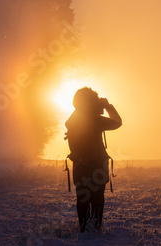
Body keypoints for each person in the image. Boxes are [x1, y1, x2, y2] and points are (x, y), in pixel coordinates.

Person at [65, 87, 122, 232]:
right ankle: (95, 229)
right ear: (91, 103)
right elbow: (117, 122)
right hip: (97, 165)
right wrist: (108, 106)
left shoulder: (72, 121)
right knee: (97, 198)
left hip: (79, 165)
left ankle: (83, 228)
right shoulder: (95, 120)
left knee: (82, 198)